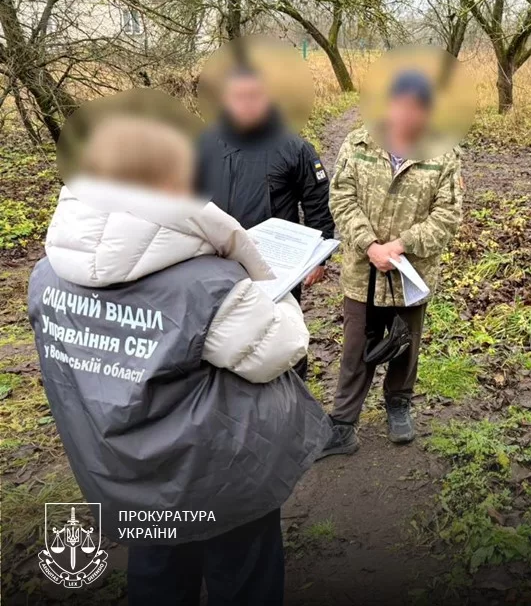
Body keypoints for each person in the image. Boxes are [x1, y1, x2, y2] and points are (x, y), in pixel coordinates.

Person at [28, 112, 331, 605]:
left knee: (157, 574)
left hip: (123, 473)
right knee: (244, 578)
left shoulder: (45, 277)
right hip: (217, 474)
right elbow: (282, 348)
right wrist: (271, 291)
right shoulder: (206, 284)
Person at [323, 70, 463, 454]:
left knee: (405, 344)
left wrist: (401, 245)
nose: (407, 114)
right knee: (355, 348)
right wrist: (370, 245)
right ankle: (343, 423)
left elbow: (448, 216)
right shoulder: (358, 143)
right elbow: (341, 199)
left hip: (410, 273)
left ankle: (398, 405)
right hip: (362, 271)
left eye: (417, 107)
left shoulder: (443, 155)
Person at [196, 66, 334, 377]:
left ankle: (292, 395)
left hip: (275, 267)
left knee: (280, 333)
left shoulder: (293, 147)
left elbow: (316, 200)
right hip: (216, 263)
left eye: (253, 97)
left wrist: (319, 258)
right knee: (224, 333)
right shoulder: (205, 144)